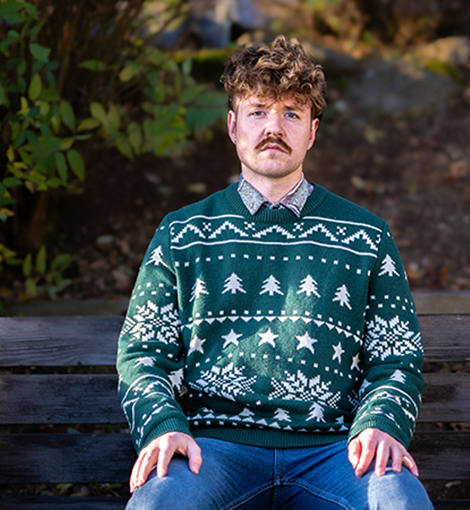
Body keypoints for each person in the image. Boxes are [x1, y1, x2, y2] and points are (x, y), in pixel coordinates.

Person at [116, 35, 432, 510]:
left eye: (292, 114)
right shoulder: (182, 234)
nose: (274, 127)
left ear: (312, 132)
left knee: (399, 501)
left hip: (335, 453)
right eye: (258, 111)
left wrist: (381, 424)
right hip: (212, 453)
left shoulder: (366, 235)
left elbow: (396, 358)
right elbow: (143, 354)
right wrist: (163, 426)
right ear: (233, 126)